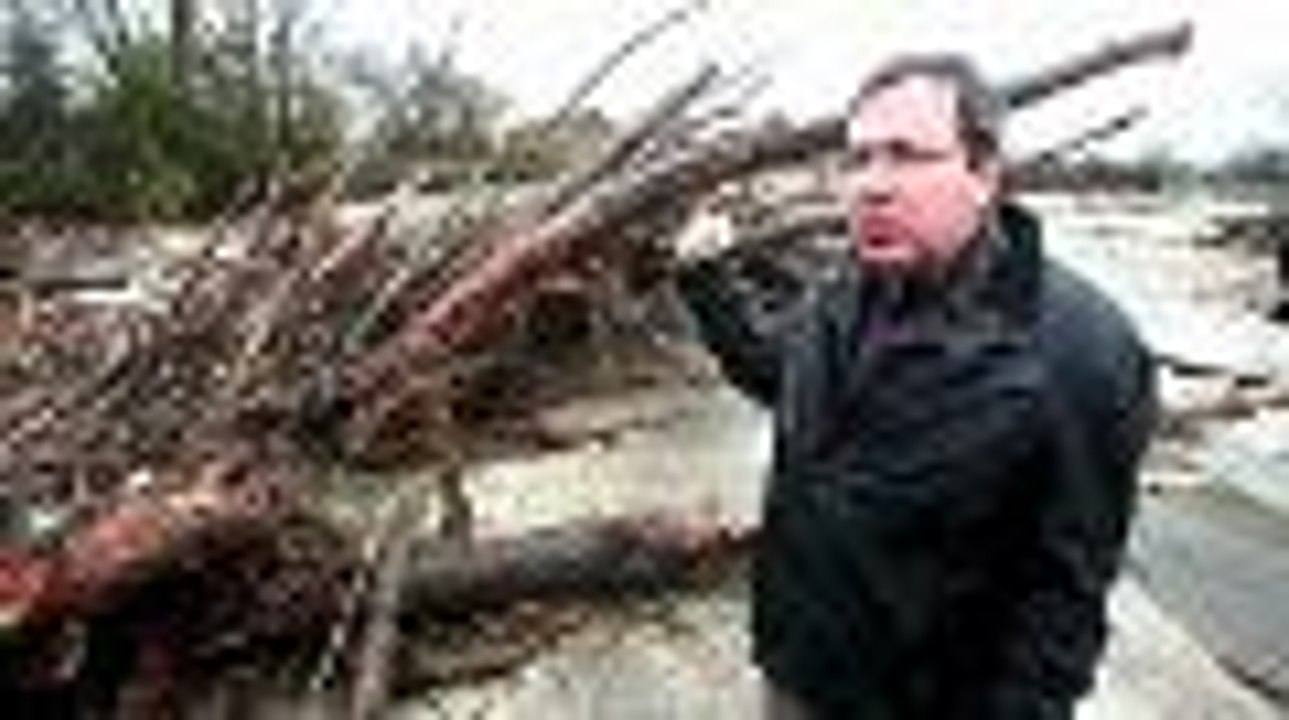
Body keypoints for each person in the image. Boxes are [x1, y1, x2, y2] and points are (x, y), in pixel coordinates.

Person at [672, 54, 1158, 719]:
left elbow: (1061, 611)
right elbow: (780, 381)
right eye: (859, 158)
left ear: (983, 173)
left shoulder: (1080, 351)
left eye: (905, 155)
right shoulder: (839, 296)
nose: (871, 185)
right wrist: (707, 283)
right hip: (795, 672)